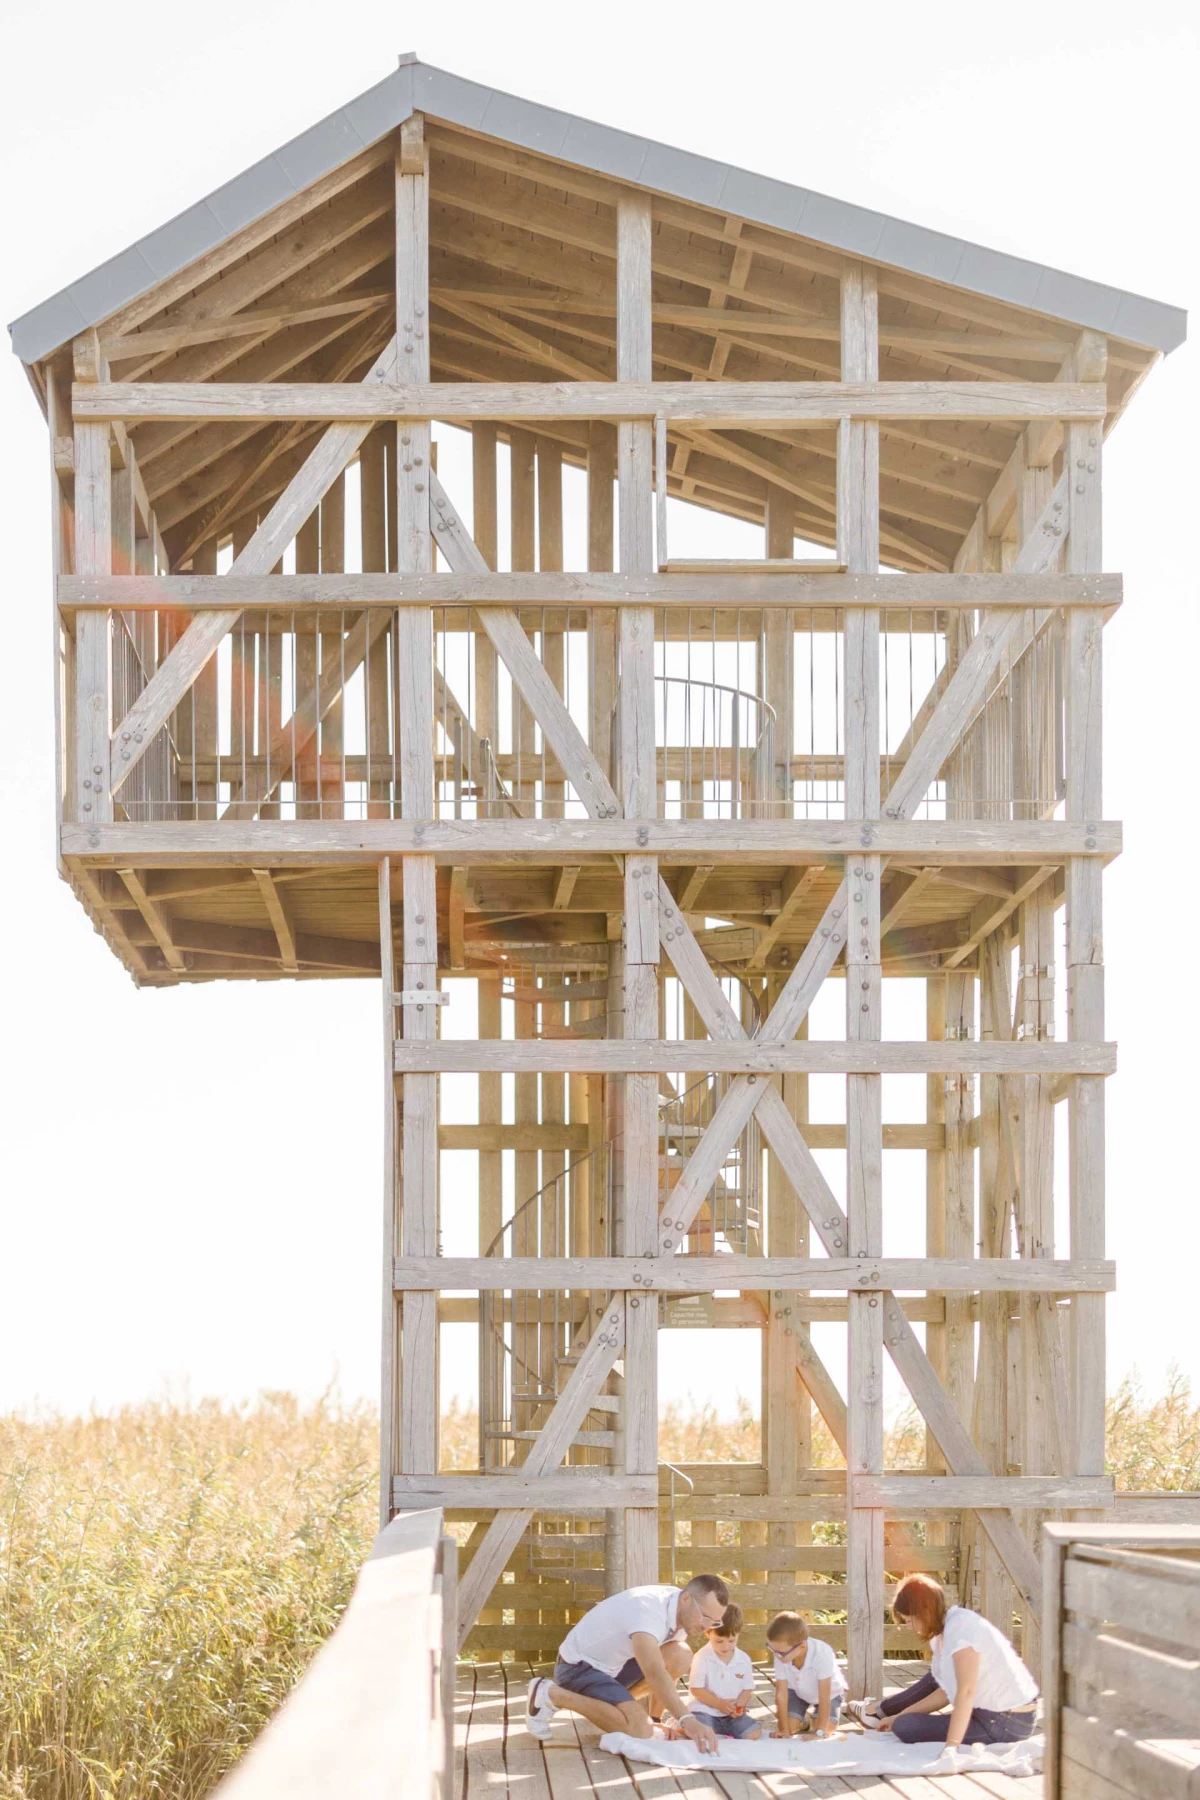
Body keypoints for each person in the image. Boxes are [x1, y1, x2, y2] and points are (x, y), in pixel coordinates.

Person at [525, 1573, 730, 1747]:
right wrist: (687, 1720)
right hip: (578, 1668)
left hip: (616, 1668)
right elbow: (655, 1672)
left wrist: (656, 1720)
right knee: (640, 1731)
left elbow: (664, 1670)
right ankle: (550, 1693)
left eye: (715, 1621)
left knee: (681, 1654)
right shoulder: (648, 1611)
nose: (707, 1626)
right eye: (705, 1616)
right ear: (686, 1599)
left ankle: (635, 1715)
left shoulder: (682, 1614)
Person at [845, 1574, 1039, 1746]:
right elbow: (944, 1692)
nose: (910, 1627)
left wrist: (951, 1747)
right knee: (907, 1715)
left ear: (925, 1612)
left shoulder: (960, 1630)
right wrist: (897, 1716)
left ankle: (878, 1711)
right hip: (992, 1713)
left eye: (909, 1620)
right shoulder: (943, 1631)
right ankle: (878, 1711)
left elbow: (966, 1692)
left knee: (906, 1727)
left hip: (1007, 1721)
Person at [687, 1602, 762, 1739]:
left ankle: (722, 1729)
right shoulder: (702, 1657)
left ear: (738, 1634)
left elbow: (747, 1689)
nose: (726, 1646)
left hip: (730, 1715)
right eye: (719, 1641)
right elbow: (696, 1689)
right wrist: (718, 1704)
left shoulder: (743, 1659)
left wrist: (739, 1706)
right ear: (708, 1633)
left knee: (754, 1732)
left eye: (731, 1641)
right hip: (705, 1711)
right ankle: (680, 1725)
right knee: (700, 1732)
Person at [766, 1610, 846, 1738]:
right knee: (790, 1728)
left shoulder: (822, 1654)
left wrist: (819, 1731)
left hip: (829, 1695)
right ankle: (801, 1722)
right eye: (772, 1649)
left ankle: (815, 1721)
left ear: (801, 1647)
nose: (776, 1655)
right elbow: (781, 1693)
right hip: (798, 1692)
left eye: (780, 1653)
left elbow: (824, 1695)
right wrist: (783, 1729)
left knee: (825, 1729)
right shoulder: (781, 1652)